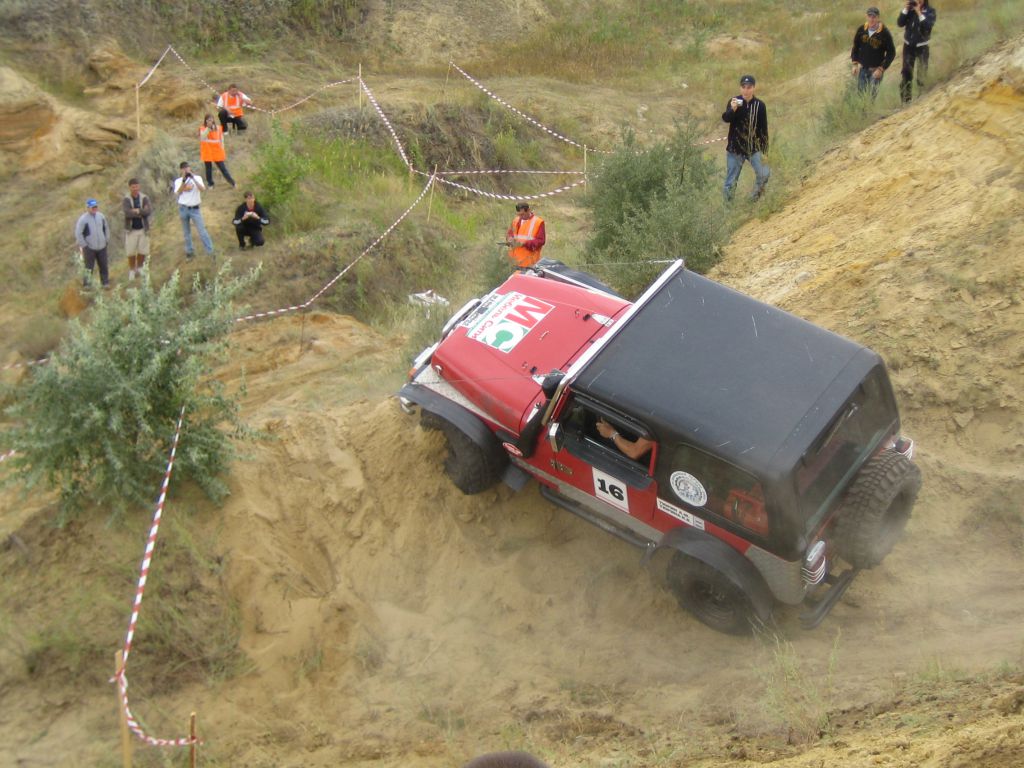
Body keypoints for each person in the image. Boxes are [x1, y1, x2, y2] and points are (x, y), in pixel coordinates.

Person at [721, 74, 770, 202]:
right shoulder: (734, 101)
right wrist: (733, 109)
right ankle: (728, 209)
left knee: (764, 174)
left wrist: (765, 152)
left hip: (753, 148)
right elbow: (726, 118)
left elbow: (763, 130)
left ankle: (752, 200)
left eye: (749, 87)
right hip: (735, 149)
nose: (746, 90)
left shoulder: (760, 105)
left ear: (753, 88)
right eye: (743, 87)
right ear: (740, 88)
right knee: (731, 182)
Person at [172, 161, 214, 260]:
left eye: (187, 167)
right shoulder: (178, 181)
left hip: (195, 209)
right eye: (184, 168)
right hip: (183, 208)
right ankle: (189, 252)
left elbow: (202, 189)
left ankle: (210, 252)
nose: (186, 170)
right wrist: (184, 180)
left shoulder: (197, 178)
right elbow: (178, 192)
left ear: (190, 168)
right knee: (186, 233)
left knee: (202, 231)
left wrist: (193, 178)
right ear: (181, 170)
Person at [851, 7, 896, 98]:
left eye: (874, 17)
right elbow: (855, 47)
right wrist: (855, 64)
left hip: (876, 71)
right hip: (863, 69)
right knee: (861, 97)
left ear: (878, 18)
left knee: (871, 97)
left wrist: (881, 68)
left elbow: (891, 52)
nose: (871, 19)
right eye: (869, 16)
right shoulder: (861, 29)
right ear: (866, 17)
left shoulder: (884, 33)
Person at [897, 0, 936, 103]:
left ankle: (921, 99)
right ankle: (906, 101)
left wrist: (919, 13)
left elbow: (927, 27)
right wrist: (906, 9)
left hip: (922, 47)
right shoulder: (910, 10)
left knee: (922, 74)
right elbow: (900, 23)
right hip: (908, 46)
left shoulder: (930, 11)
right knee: (906, 74)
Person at [74, 198, 111, 288]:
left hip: (102, 246)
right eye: (92, 207)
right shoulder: (83, 219)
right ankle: (87, 285)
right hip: (89, 248)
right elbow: (78, 233)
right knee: (88, 267)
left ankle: (105, 283)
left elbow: (106, 228)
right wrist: (84, 245)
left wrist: (106, 240)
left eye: (95, 207)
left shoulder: (101, 216)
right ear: (88, 208)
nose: (94, 209)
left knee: (103, 265)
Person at [121, 178, 152, 281]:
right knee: (131, 251)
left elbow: (148, 211)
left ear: (139, 186)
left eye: (136, 186)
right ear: (130, 187)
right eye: (133, 187)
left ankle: (140, 268)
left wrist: (137, 210)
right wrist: (140, 212)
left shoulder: (144, 198)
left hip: (143, 228)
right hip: (131, 230)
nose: (135, 189)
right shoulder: (126, 199)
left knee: (142, 250)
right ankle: (132, 270)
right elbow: (127, 213)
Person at [199, 113, 236, 189]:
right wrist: (208, 128)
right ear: (205, 121)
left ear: (213, 120)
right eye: (208, 120)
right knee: (208, 169)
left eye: (211, 119)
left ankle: (232, 183)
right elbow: (202, 138)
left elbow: (221, 140)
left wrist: (222, 149)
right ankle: (210, 184)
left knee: (223, 168)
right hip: (207, 151)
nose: (210, 121)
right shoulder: (203, 128)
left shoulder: (218, 128)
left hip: (217, 152)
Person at [505, 202, 545, 268]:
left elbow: (541, 241)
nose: (520, 217)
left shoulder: (538, 222)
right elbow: (510, 233)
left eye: (522, 214)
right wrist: (509, 239)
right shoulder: (516, 220)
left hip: (528, 263)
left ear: (528, 210)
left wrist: (524, 243)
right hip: (513, 261)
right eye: (519, 215)